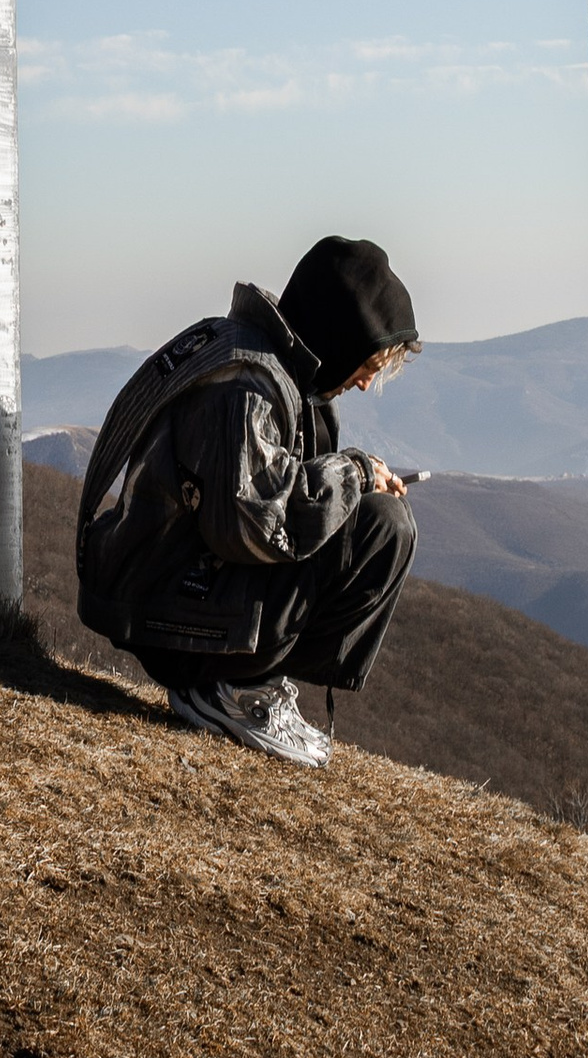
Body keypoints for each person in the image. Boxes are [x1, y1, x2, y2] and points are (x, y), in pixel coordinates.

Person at [74, 234, 420, 769]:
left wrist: (350, 476)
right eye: (368, 363)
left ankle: (246, 679)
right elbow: (253, 522)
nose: (367, 382)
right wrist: (352, 475)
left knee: (375, 516)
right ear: (341, 333)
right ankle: (231, 687)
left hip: (157, 583)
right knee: (382, 526)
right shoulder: (249, 382)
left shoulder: (257, 356)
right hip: (165, 608)